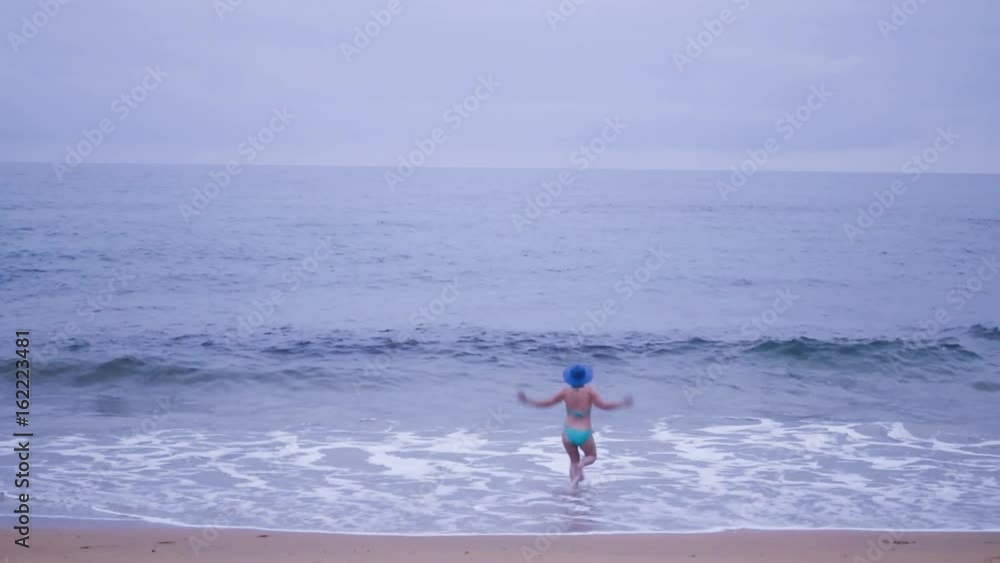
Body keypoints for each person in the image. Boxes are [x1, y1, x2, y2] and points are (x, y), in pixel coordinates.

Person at [517, 364, 633, 487]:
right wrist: (622, 404)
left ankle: (573, 488)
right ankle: (581, 465)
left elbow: (547, 403)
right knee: (591, 456)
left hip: (568, 432)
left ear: (570, 378)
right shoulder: (590, 391)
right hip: (584, 432)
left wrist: (528, 401)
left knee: (573, 461)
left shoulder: (565, 392)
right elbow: (604, 406)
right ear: (585, 378)